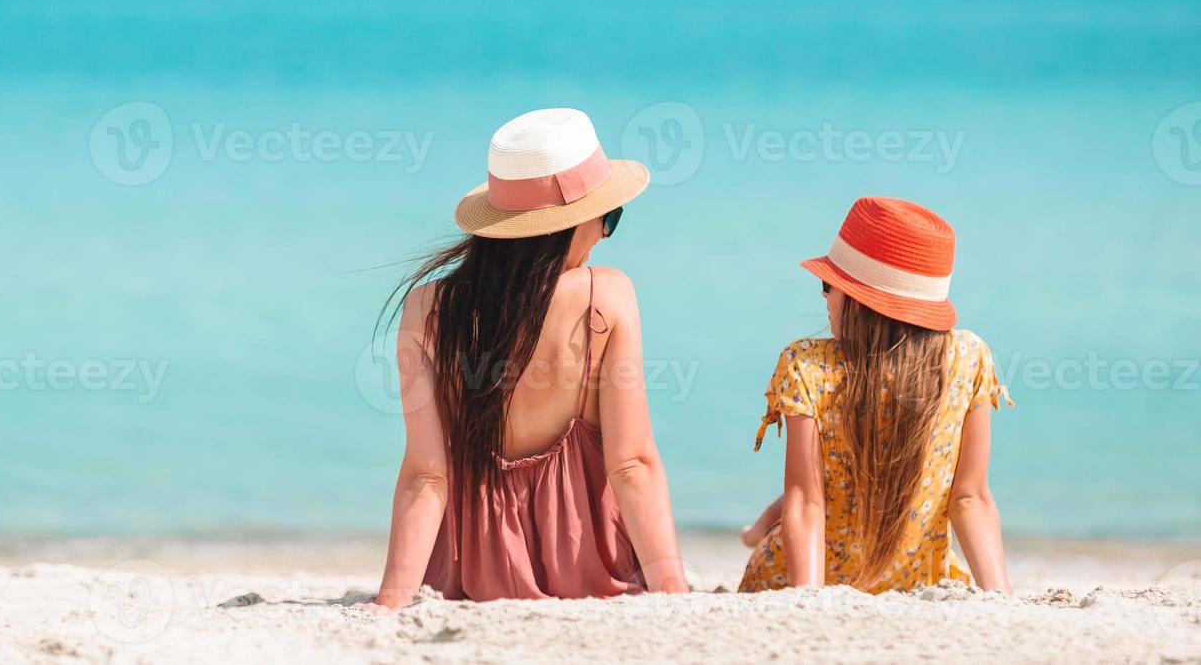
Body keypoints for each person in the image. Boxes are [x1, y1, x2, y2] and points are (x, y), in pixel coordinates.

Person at [369, 107, 688, 608]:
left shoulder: (427, 309)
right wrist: (673, 588)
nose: (605, 235)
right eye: (609, 218)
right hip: (588, 565)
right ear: (568, 224)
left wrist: (390, 599)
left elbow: (426, 475)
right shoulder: (604, 296)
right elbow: (633, 464)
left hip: (472, 574)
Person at [739, 196, 1013, 594]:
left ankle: (754, 531)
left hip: (798, 573)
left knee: (809, 494)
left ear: (861, 300)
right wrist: (1001, 598)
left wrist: (807, 598)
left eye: (827, 285)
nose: (823, 297)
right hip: (919, 582)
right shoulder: (968, 358)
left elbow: (806, 503)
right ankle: (756, 528)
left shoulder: (807, 365)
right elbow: (970, 498)